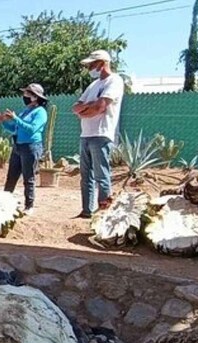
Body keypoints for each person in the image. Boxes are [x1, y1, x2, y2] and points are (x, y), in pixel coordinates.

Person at [72, 49, 125, 219]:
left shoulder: (114, 81)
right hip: (86, 134)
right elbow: (76, 107)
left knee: (101, 175)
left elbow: (101, 107)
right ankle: (86, 210)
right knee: (86, 175)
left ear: (102, 63)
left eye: (92, 65)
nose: (90, 68)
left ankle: (103, 212)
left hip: (101, 134)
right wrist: (88, 107)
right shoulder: (93, 85)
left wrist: (87, 108)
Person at [0, 83, 49, 214]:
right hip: (18, 146)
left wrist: (15, 118)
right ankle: (5, 201)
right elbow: (15, 129)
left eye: (28, 94)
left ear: (35, 97)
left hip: (31, 147)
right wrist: (3, 122)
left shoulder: (40, 112)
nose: (25, 96)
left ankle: (29, 206)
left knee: (28, 177)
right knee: (11, 176)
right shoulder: (25, 111)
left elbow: (32, 129)